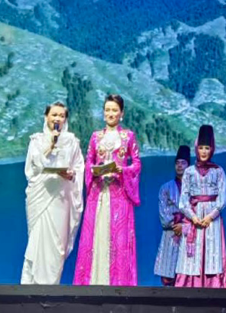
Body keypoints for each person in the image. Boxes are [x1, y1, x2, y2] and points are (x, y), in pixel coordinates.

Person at [74, 94, 141, 286]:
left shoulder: (128, 136)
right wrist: (94, 170)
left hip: (119, 195)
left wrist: (122, 170)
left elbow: (137, 164)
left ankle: (118, 284)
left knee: (118, 239)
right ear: (103, 113)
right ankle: (92, 282)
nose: (111, 114)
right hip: (98, 194)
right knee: (96, 235)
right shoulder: (96, 137)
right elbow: (88, 161)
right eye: (107, 110)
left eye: (114, 110)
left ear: (121, 113)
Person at [21, 102, 85, 285]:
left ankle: (50, 288)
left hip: (61, 199)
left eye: (61, 116)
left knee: (57, 246)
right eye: (54, 115)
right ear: (46, 117)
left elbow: (79, 167)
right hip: (40, 196)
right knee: (37, 242)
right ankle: (29, 287)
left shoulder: (72, 142)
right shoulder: (36, 141)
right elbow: (32, 168)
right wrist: (51, 144)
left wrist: (72, 174)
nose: (57, 119)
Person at [175, 125, 226, 288]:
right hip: (194, 216)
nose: (204, 152)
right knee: (191, 257)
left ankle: (213, 288)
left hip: (212, 219)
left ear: (212, 149)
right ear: (196, 149)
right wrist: (193, 217)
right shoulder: (189, 172)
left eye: (207, 148)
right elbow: (183, 200)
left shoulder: (218, 171)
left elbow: (222, 199)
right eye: (201, 148)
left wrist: (210, 217)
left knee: (212, 253)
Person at [154, 146, 191, 286]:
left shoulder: (194, 188)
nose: (180, 166)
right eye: (177, 163)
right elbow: (163, 214)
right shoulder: (165, 188)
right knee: (169, 274)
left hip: (189, 233)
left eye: (183, 163)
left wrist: (186, 225)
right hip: (171, 233)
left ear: (189, 166)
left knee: (188, 273)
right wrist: (177, 225)